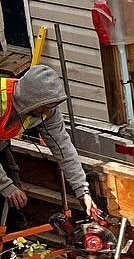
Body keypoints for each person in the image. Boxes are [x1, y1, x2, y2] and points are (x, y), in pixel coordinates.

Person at [0, 65, 101, 221]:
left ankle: (13, 241)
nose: (47, 112)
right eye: (45, 108)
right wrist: (6, 186)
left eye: (51, 107)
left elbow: (63, 147)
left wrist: (83, 191)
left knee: (14, 202)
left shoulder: (46, 109)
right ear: (30, 99)